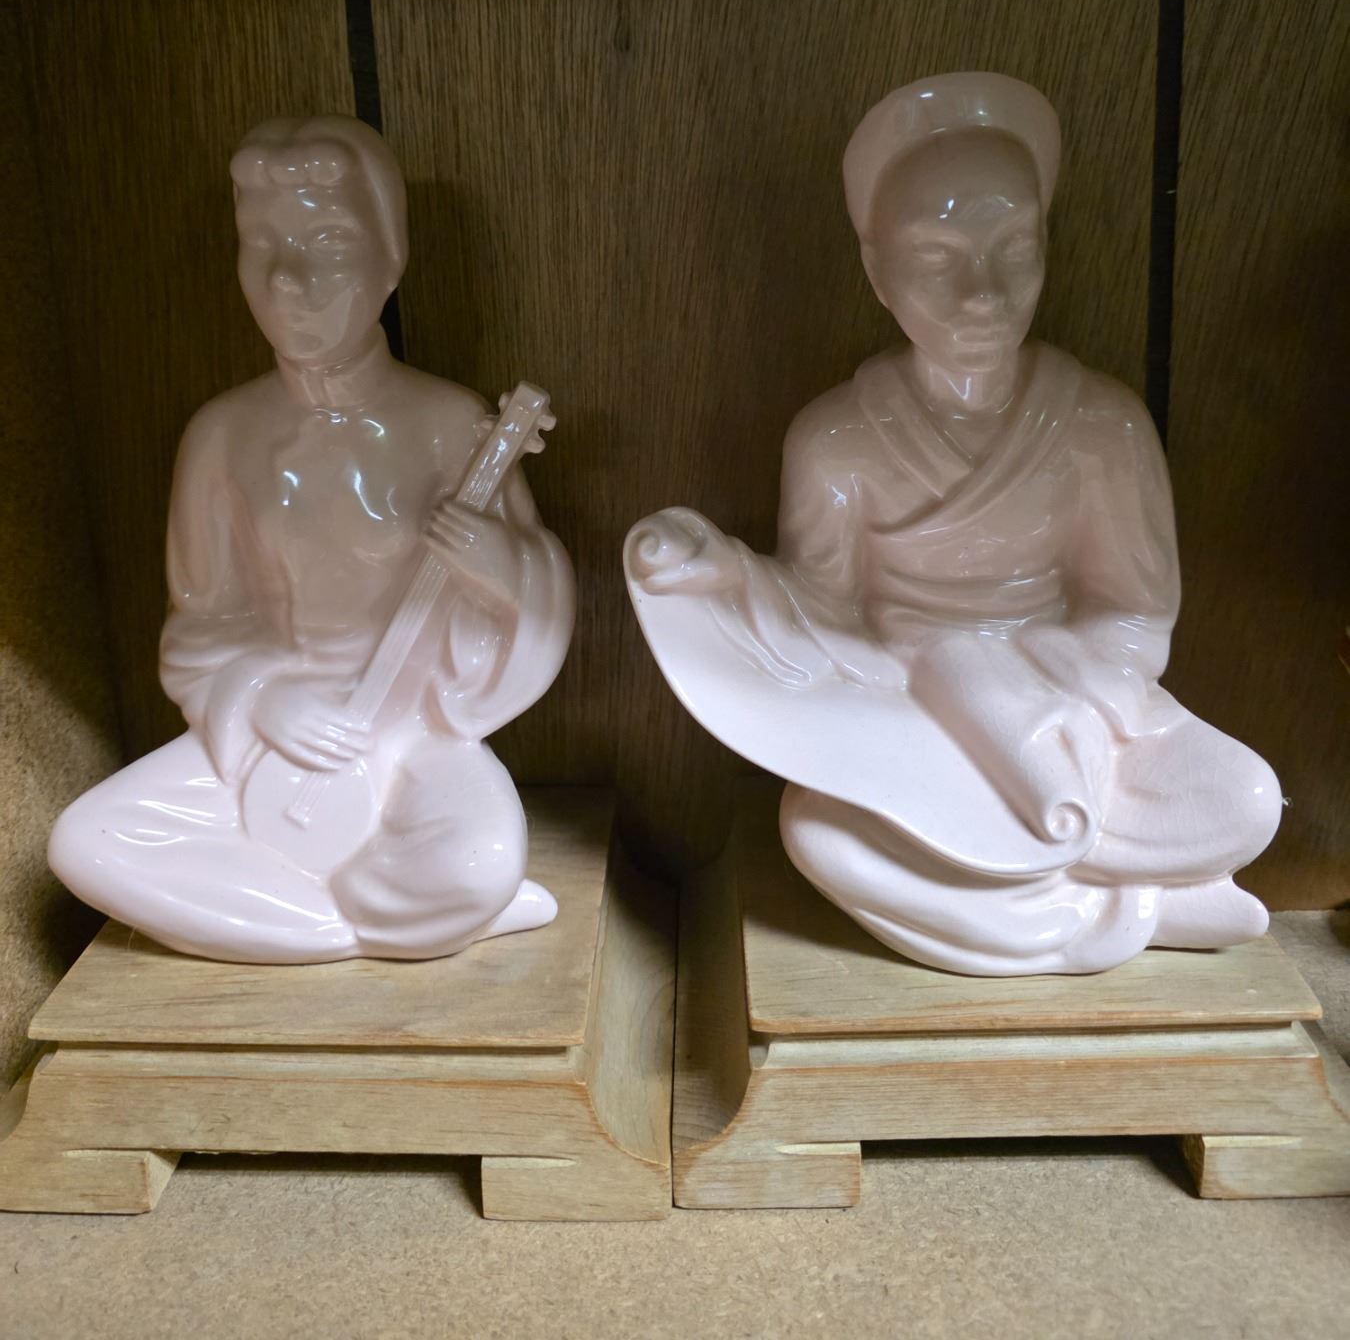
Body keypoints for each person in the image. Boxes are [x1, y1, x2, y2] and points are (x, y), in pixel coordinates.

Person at [626, 74, 1280, 975]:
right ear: (877, 272)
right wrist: (725, 576)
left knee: (1246, 798)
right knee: (817, 833)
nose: (983, 294)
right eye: (938, 259)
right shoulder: (835, 441)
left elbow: (1135, 616)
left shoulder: (1103, 425)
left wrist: (1048, 698)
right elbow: (822, 610)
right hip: (909, 700)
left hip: (1069, 710)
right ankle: (1133, 903)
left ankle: (1050, 889)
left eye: (1014, 248)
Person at [50, 116, 574, 964]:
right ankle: (360, 925)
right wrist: (265, 698)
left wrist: (502, 566)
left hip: (412, 736)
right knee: (86, 843)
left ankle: (368, 906)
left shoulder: (453, 423)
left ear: (389, 260)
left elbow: (535, 594)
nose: (288, 279)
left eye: (328, 242)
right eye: (262, 245)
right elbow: (201, 627)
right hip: (271, 739)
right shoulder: (221, 436)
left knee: (477, 862)